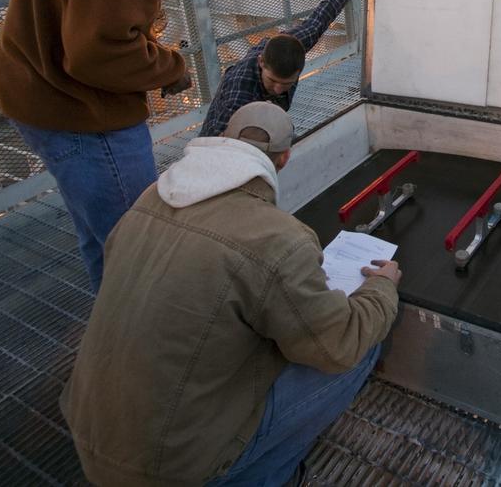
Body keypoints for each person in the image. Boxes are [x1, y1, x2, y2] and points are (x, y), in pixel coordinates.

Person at [61, 102, 400, 487]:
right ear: (284, 159)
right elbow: (338, 344)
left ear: (223, 140)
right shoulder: (278, 238)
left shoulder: (146, 201)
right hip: (168, 469)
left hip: (88, 429)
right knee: (362, 344)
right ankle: (269, 475)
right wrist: (381, 289)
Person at [0, 0, 246, 291]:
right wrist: (170, 67)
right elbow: (99, 51)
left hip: (35, 92)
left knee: (103, 240)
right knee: (139, 246)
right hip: (82, 113)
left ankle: (111, 331)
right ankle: (141, 350)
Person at [199, 0, 382, 137]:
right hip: (218, 143)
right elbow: (224, 141)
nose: (278, 89)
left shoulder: (293, 45)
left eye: (287, 83)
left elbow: (321, 17)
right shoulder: (239, 90)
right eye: (272, 80)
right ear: (261, 62)